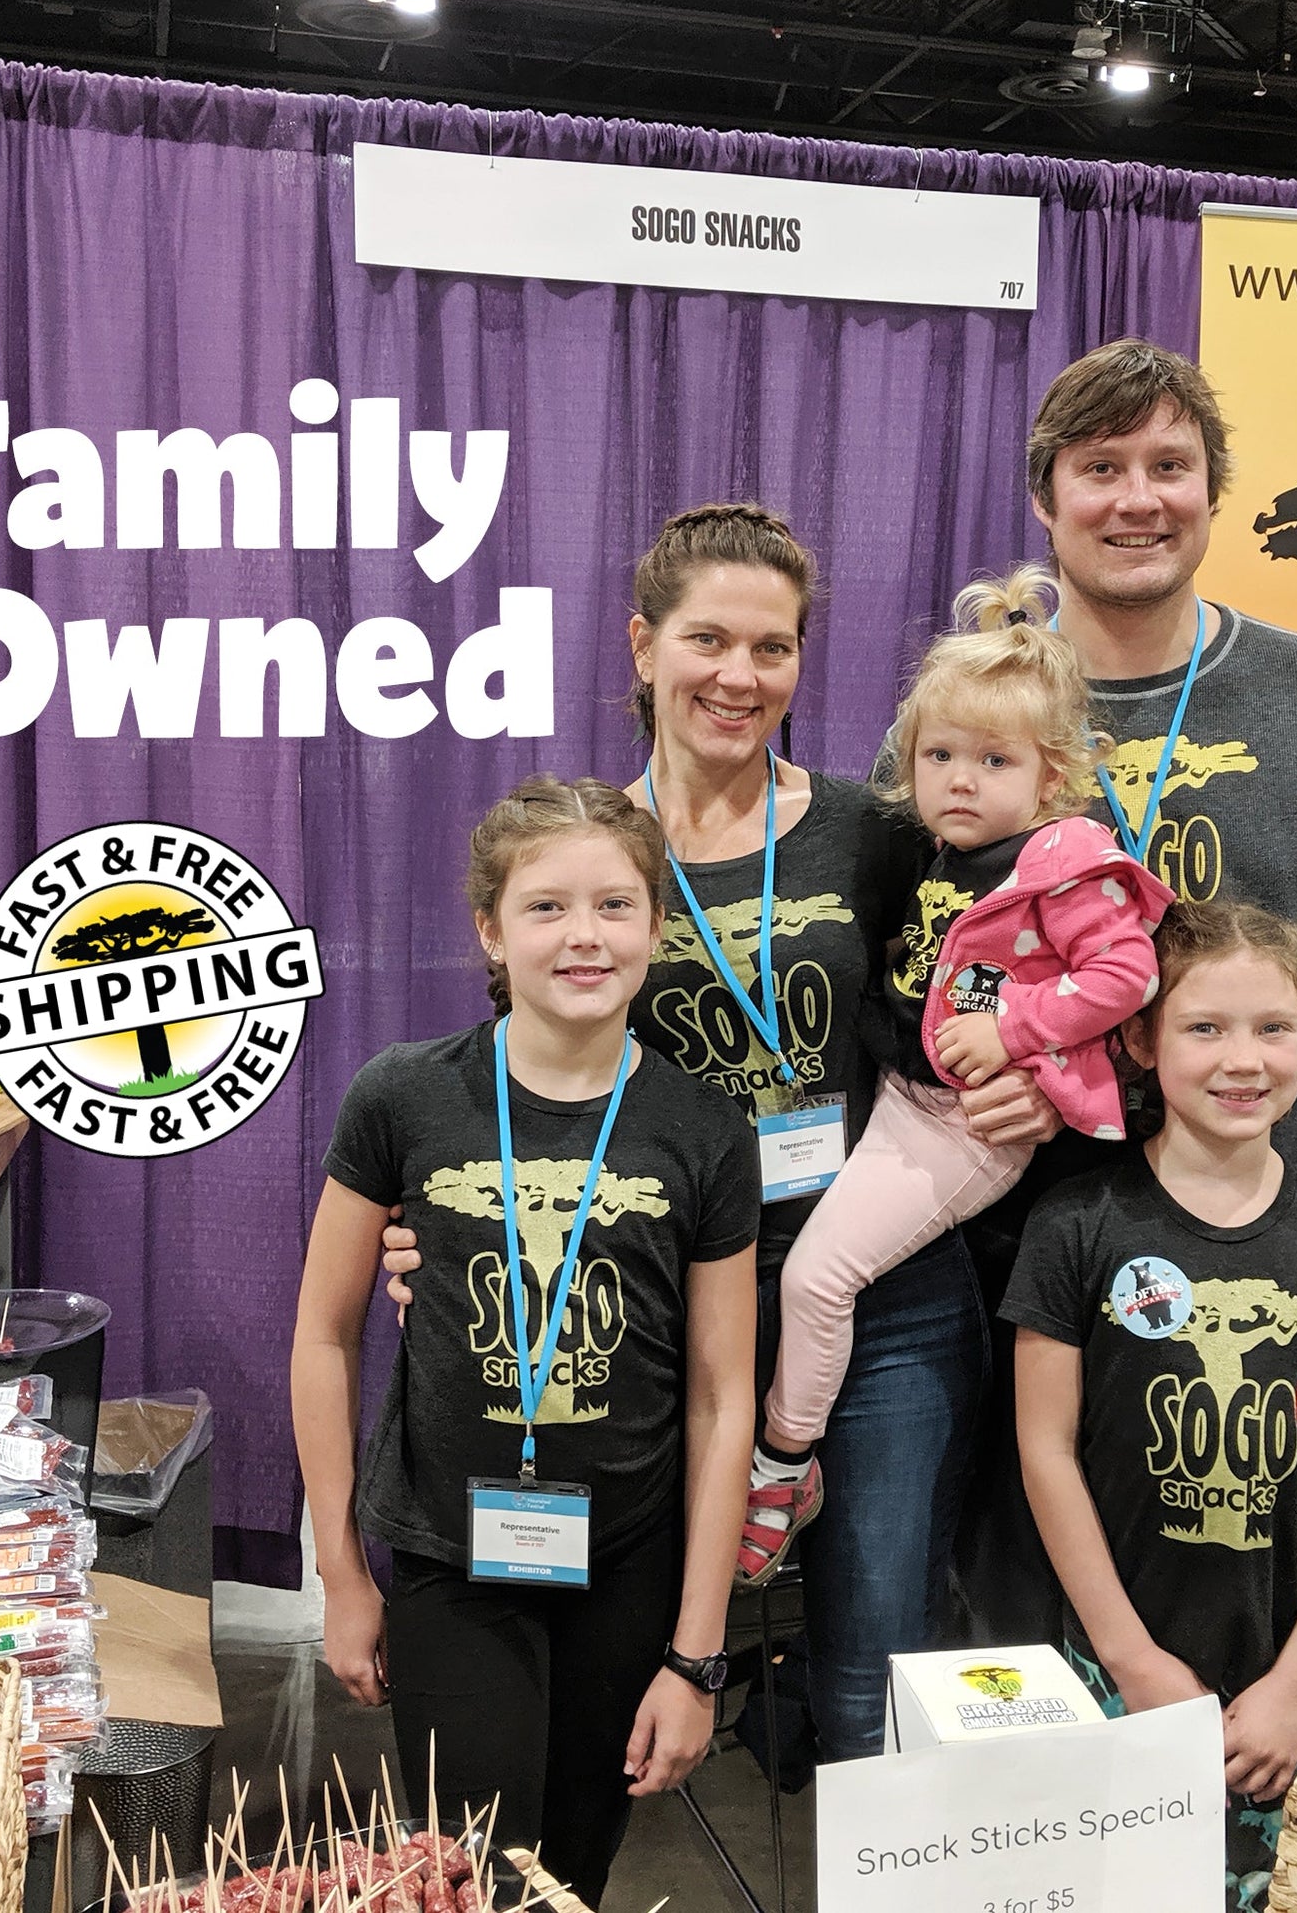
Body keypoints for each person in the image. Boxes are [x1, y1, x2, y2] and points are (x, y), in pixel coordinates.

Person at [389, 504, 1063, 1764]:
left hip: (881, 1288)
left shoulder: (877, 828)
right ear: (642, 646)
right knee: (628, 1655)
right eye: (707, 639)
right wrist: (436, 1224)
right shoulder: (589, 845)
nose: (738, 675)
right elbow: (522, 1072)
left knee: (874, 1669)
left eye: (772, 646)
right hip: (665, 1299)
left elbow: (1019, 962)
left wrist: (1042, 1073)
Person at [291, 776, 758, 1907]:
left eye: (614, 904)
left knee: (572, 1877)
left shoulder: (703, 1127)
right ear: (491, 931)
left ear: (656, 926)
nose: (583, 934)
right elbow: (323, 1335)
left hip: (628, 1566)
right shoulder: (404, 1095)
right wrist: (342, 1574)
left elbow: (721, 1394)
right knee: (474, 1874)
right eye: (546, 906)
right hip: (454, 1562)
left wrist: (696, 1654)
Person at [745, 584, 1172, 1572]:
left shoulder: (1063, 855)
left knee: (818, 1276)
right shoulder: (951, 849)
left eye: (994, 760)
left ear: (1053, 773)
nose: (960, 781)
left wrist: (1016, 1028)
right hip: (899, 1094)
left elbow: (1127, 973)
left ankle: (783, 1462)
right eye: (938, 756)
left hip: (959, 1124)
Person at [1006, 898, 1297, 1912]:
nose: (1243, 1059)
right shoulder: (1076, 1226)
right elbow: (1045, 1449)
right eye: (1204, 1027)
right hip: (1112, 1670)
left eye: (1273, 1027)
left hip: (1277, 1693)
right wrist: (1131, 1660)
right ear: (1140, 1040)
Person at [1023, 337, 1297, 1293]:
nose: (1139, 500)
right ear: (1045, 500)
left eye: (1170, 466)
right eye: (1101, 469)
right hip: (1014, 1241)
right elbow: (916, 955)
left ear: (1212, 492)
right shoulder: (965, 709)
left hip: (1264, 1236)